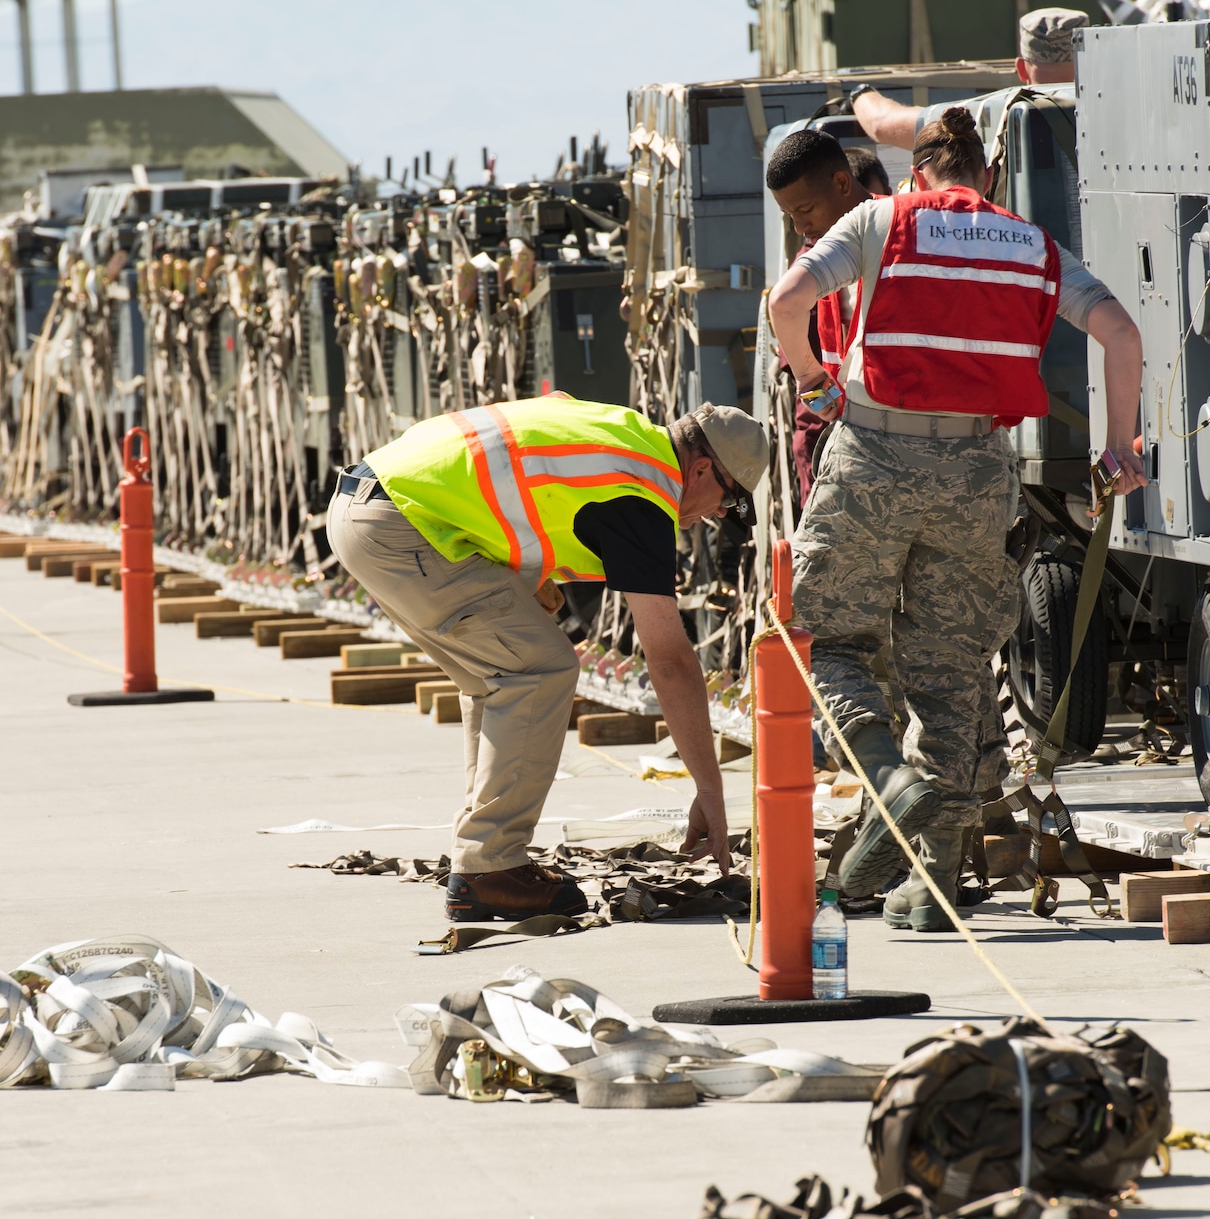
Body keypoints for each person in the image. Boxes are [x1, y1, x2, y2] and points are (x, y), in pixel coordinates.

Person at [763, 106, 1145, 931]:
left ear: (918, 177)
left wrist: (812, 380)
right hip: (978, 473)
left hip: (873, 454)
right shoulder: (1032, 244)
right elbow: (1119, 330)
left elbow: (788, 297)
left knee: (829, 641)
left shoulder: (881, 219)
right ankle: (929, 887)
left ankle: (886, 781)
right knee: (953, 671)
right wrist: (1119, 448)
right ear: (991, 179)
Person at [328, 398, 771, 923]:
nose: (715, 517)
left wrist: (526, 574)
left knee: (497, 676)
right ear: (700, 470)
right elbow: (670, 661)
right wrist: (710, 789)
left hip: (368, 507)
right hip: (401, 526)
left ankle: (487, 860)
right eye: (727, 502)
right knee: (539, 669)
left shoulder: (625, 435)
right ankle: (489, 866)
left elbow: (523, 466)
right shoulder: (644, 493)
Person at [763, 129, 880, 505]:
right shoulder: (811, 264)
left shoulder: (900, 234)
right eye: (789, 215)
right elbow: (809, 400)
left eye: (805, 210)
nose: (799, 227)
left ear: (843, 183)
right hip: (838, 448)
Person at [848, 7, 1087, 152]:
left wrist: (860, 93)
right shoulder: (1116, 110)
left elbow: (881, 123)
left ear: (1022, 69)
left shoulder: (994, 114)